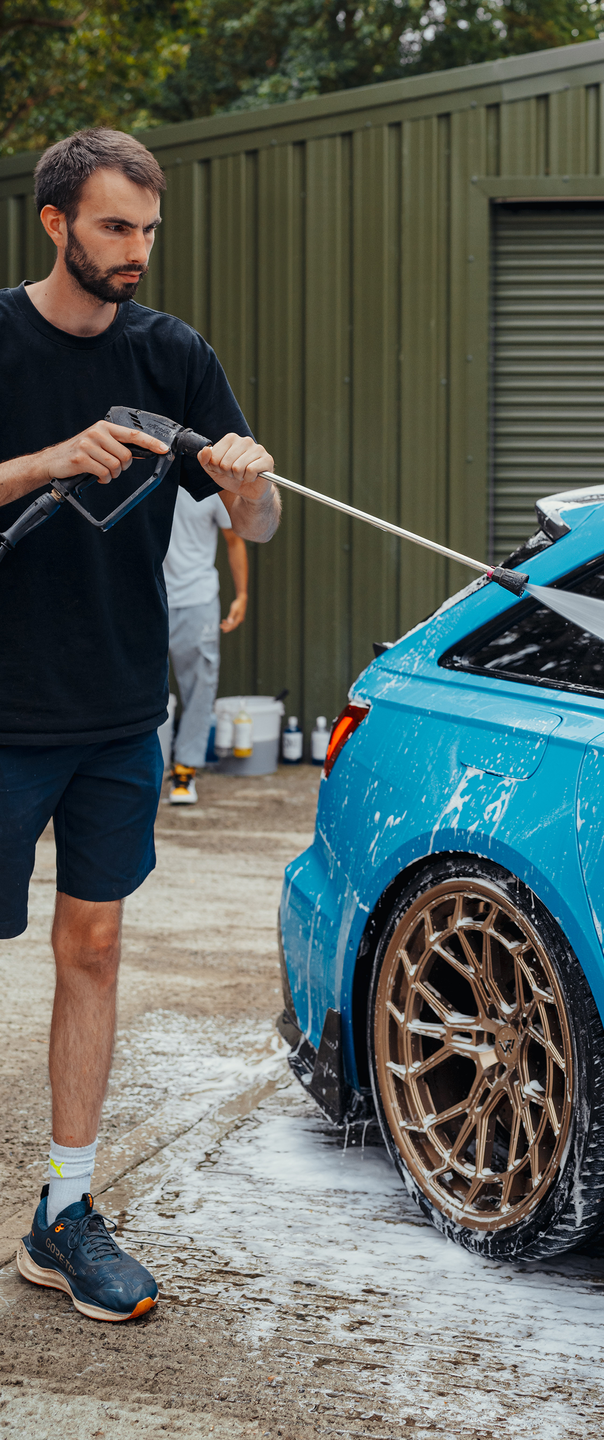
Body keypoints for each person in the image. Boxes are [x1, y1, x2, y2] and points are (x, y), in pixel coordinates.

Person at [0, 128, 281, 1322]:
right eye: (116, 227)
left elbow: (257, 525)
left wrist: (253, 479)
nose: (137, 252)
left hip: (119, 715)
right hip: (2, 714)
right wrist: (48, 460)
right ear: (55, 221)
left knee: (96, 950)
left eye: (150, 230)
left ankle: (63, 1214)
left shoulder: (174, 355)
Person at [163, 489, 249, 804]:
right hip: (149, 596)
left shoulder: (210, 486)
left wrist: (241, 595)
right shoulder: (142, 476)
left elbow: (234, 538)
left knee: (201, 683)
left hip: (198, 599)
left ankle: (184, 770)